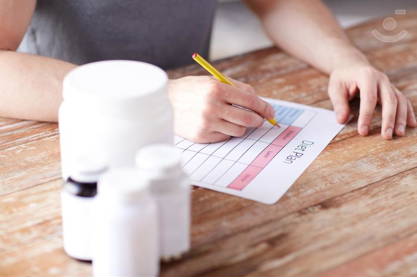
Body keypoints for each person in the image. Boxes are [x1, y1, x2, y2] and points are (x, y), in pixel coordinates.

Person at [0, 0, 415, 143]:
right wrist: (155, 100)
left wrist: (345, 59)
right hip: (65, 130)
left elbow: (277, 3)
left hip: (200, 126)